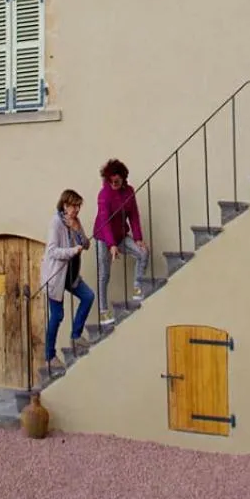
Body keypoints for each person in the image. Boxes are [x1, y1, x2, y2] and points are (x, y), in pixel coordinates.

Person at [39, 189, 96, 368]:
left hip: (70, 275)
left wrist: (78, 230)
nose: (77, 210)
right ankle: (50, 356)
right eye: (74, 206)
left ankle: (76, 336)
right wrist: (72, 251)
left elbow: (85, 244)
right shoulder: (56, 223)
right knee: (57, 315)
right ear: (65, 205)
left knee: (88, 297)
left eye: (79, 206)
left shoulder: (75, 221)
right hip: (56, 276)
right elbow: (52, 251)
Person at [94, 158, 149, 320]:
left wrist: (138, 238)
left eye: (116, 181)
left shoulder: (129, 192)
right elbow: (104, 221)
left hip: (121, 235)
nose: (113, 184)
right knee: (104, 274)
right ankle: (103, 311)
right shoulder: (104, 194)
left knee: (143, 253)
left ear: (123, 178)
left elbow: (134, 216)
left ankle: (138, 286)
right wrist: (111, 245)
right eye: (110, 181)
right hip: (103, 237)